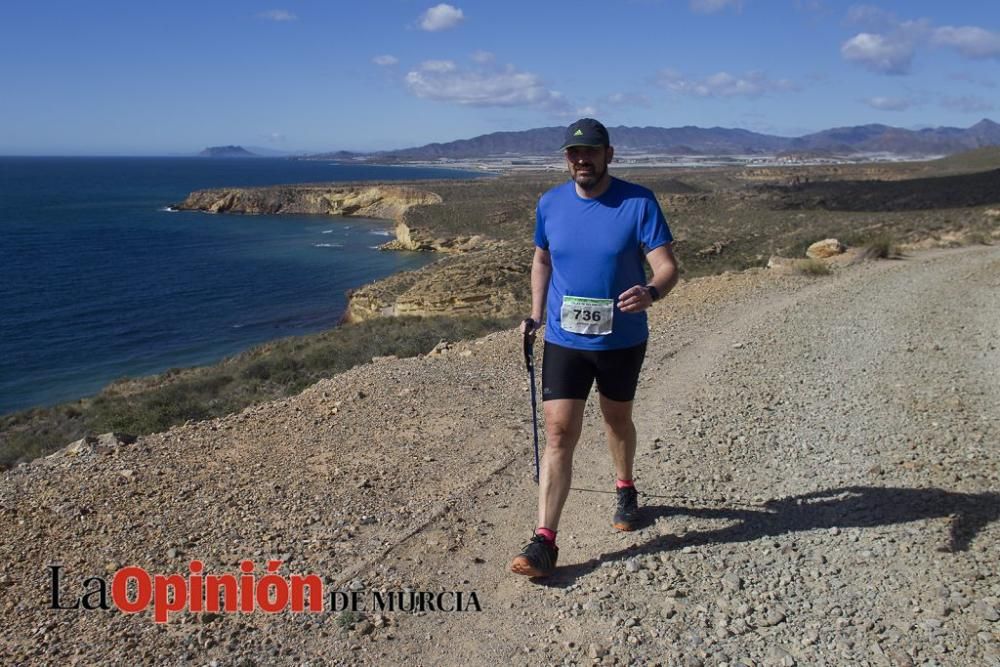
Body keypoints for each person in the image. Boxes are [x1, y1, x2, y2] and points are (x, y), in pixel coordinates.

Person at [510, 118, 679, 578]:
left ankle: (625, 486)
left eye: (591, 152)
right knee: (560, 432)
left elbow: (666, 265)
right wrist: (536, 313)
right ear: (566, 158)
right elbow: (542, 258)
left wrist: (652, 292)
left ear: (609, 154)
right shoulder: (550, 203)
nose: (581, 160)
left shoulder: (638, 201)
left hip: (621, 339)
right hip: (564, 339)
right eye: (573, 153)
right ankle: (545, 541)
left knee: (616, 419)